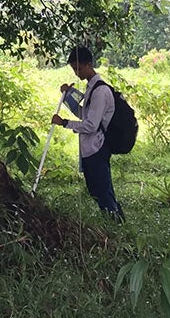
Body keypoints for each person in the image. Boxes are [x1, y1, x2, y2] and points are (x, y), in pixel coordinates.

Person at [51, 44, 124, 219]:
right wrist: (68, 96)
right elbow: (83, 113)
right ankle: (114, 219)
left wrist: (65, 123)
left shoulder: (100, 91)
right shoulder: (91, 87)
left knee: (102, 189)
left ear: (88, 65)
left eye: (78, 68)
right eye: (73, 69)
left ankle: (115, 222)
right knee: (96, 189)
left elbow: (91, 125)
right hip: (90, 148)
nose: (77, 73)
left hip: (98, 147)